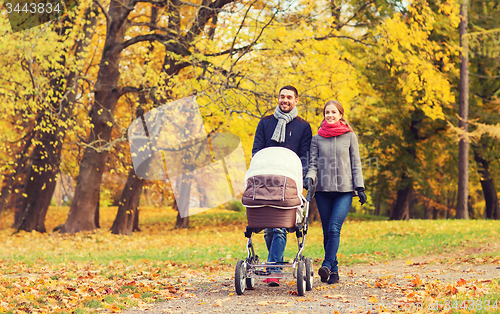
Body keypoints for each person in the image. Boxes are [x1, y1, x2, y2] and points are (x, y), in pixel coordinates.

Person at [252, 85, 312, 286]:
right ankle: (274, 264)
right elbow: (257, 150)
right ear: (278, 99)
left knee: (279, 227)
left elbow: (304, 155)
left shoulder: (303, 127)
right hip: (265, 182)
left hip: (288, 183)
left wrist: (301, 178)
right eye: (282, 96)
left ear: (296, 101)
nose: (285, 100)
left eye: (289, 97)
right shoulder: (266, 122)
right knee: (269, 229)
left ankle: (273, 269)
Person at [304, 100, 366, 284]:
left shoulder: (350, 137)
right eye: (327, 112)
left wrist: (360, 187)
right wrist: (310, 178)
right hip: (323, 190)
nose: (329, 115)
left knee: (334, 228)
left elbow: (356, 163)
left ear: (340, 115)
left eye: (333, 112)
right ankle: (334, 271)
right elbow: (313, 164)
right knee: (326, 232)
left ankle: (327, 264)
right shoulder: (317, 139)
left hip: (344, 191)